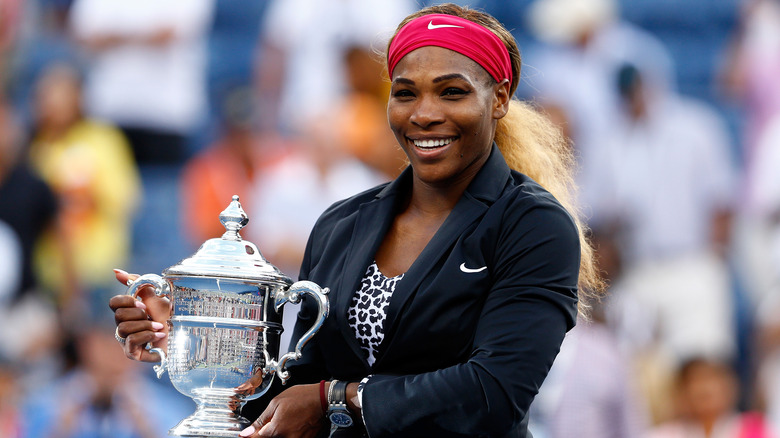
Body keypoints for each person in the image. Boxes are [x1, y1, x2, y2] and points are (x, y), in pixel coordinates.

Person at [110, 4, 602, 437]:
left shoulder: (535, 225)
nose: (424, 114)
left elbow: (494, 394)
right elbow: (290, 393)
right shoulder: (343, 223)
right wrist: (200, 340)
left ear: (498, 99)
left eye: (452, 92)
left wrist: (337, 397)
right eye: (406, 93)